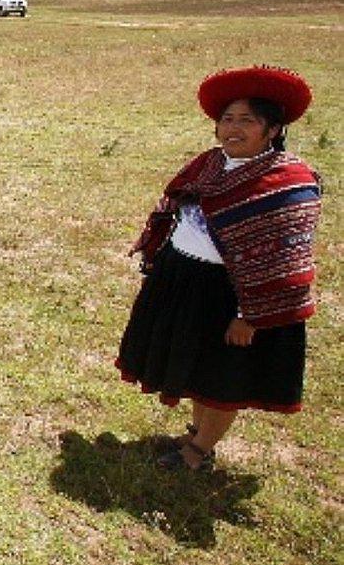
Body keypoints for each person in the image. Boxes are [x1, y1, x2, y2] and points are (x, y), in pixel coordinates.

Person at [119, 65, 321, 472]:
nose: (233, 128)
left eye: (247, 120)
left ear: (273, 129)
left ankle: (199, 452)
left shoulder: (288, 182)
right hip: (185, 280)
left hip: (232, 296)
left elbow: (285, 257)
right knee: (196, 366)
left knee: (222, 378)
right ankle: (195, 435)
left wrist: (250, 316)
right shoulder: (210, 164)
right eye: (227, 119)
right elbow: (175, 205)